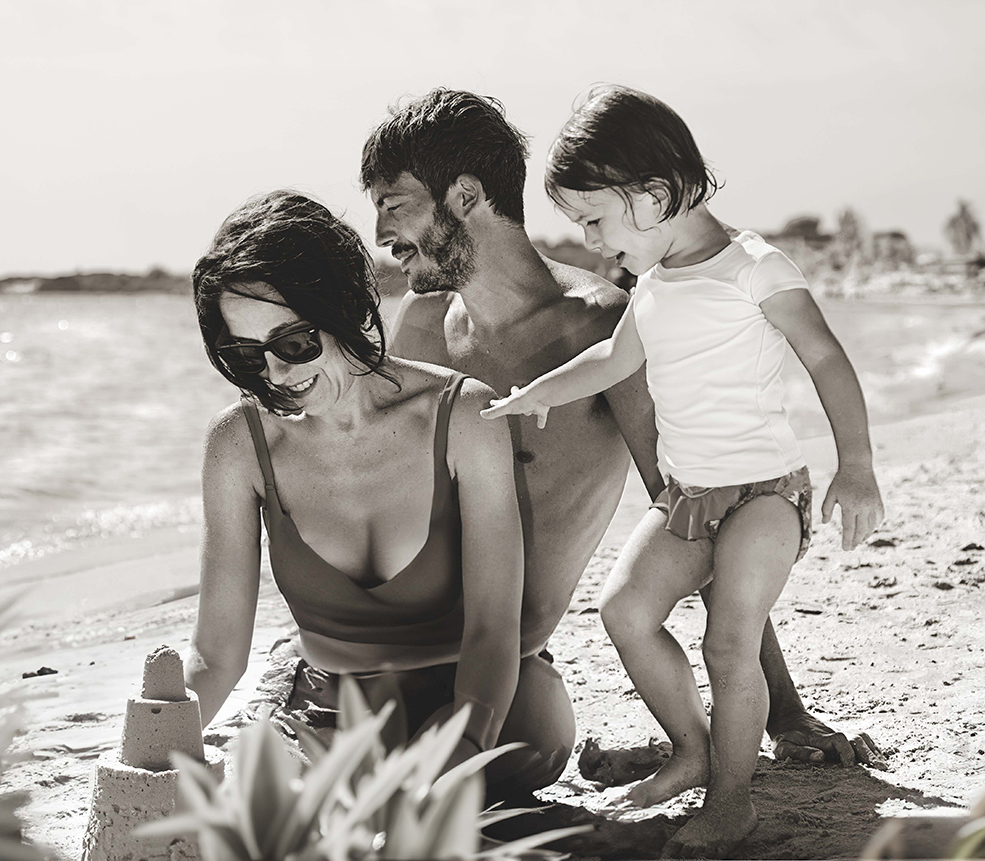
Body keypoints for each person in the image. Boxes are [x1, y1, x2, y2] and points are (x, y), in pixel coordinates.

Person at [361, 88, 884, 797]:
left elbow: (695, 506)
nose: (381, 231)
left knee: (492, 757)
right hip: (405, 643)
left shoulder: (603, 328)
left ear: (463, 195)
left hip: (509, 663)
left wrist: (785, 713)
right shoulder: (419, 327)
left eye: (394, 204)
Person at [183, 190, 539, 778]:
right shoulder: (239, 445)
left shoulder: (460, 417)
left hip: (481, 686)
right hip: (329, 700)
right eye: (247, 356)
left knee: (521, 755)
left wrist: (463, 750)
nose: (277, 375)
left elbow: (493, 630)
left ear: (344, 304)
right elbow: (215, 654)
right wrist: (149, 754)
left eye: (294, 344)